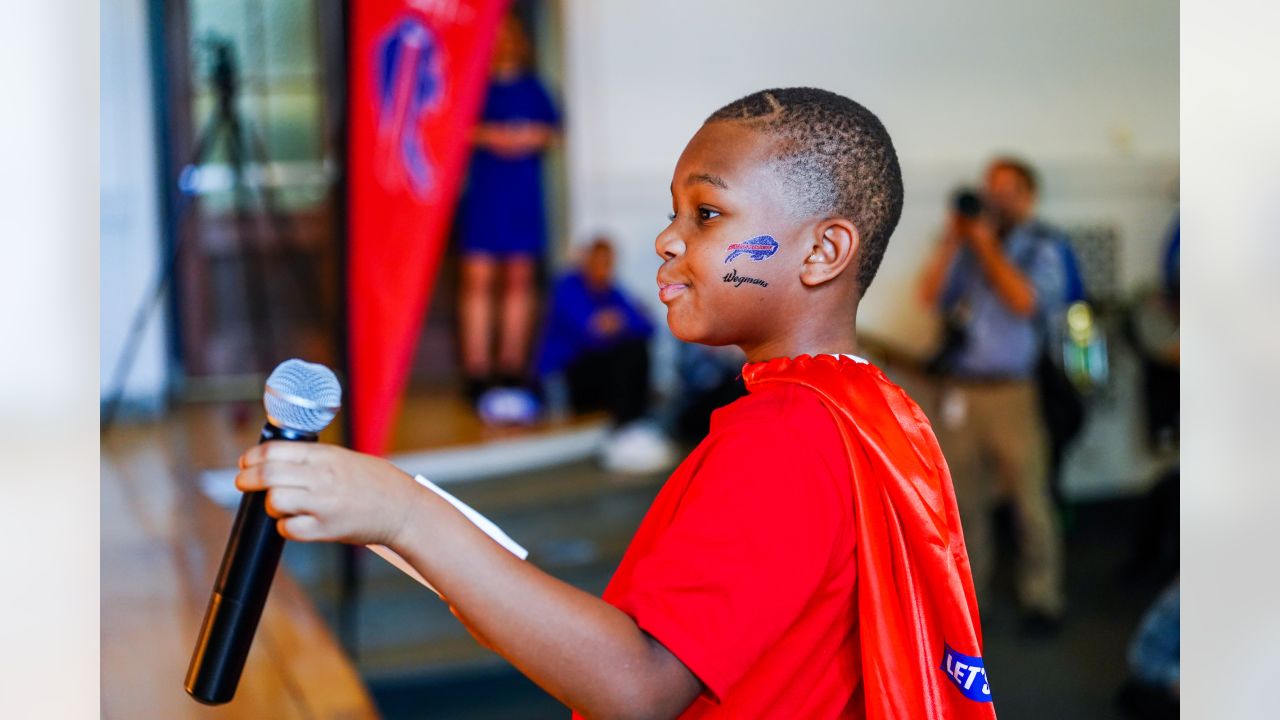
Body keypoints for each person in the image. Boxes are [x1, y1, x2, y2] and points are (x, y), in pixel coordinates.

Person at [237, 88, 995, 718]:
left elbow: (638, 685)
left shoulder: (789, 432)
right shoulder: (869, 405)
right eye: (674, 212)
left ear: (824, 252)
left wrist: (405, 514)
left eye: (706, 214)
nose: (668, 239)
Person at [917, 157, 1070, 633]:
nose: (994, 197)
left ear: (1027, 196)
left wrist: (985, 246)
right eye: (990, 188)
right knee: (964, 502)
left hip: (1011, 391)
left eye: (1006, 189)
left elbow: (1026, 302)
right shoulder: (966, 244)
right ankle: (969, 601)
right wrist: (952, 242)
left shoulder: (1042, 245)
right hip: (961, 391)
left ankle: (1041, 597)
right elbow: (931, 296)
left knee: (1029, 497)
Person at [457, 14, 560, 405]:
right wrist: (498, 137)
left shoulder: (534, 88)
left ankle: (512, 366)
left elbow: (549, 131)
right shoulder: (472, 86)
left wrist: (515, 138)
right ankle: (478, 370)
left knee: (519, 280)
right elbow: (456, 130)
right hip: (484, 195)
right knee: (478, 280)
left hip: (522, 197)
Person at [536, 237, 672, 473]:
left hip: (597, 371)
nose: (603, 267)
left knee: (634, 347)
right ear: (586, 260)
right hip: (566, 379)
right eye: (598, 261)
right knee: (626, 351)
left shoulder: (612, 291)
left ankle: (632, 425)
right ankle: (624, 429)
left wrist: (618, 321)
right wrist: (620, 321)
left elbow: (647, 326)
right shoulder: (568, 287)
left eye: (608, 262)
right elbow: (592, 332)